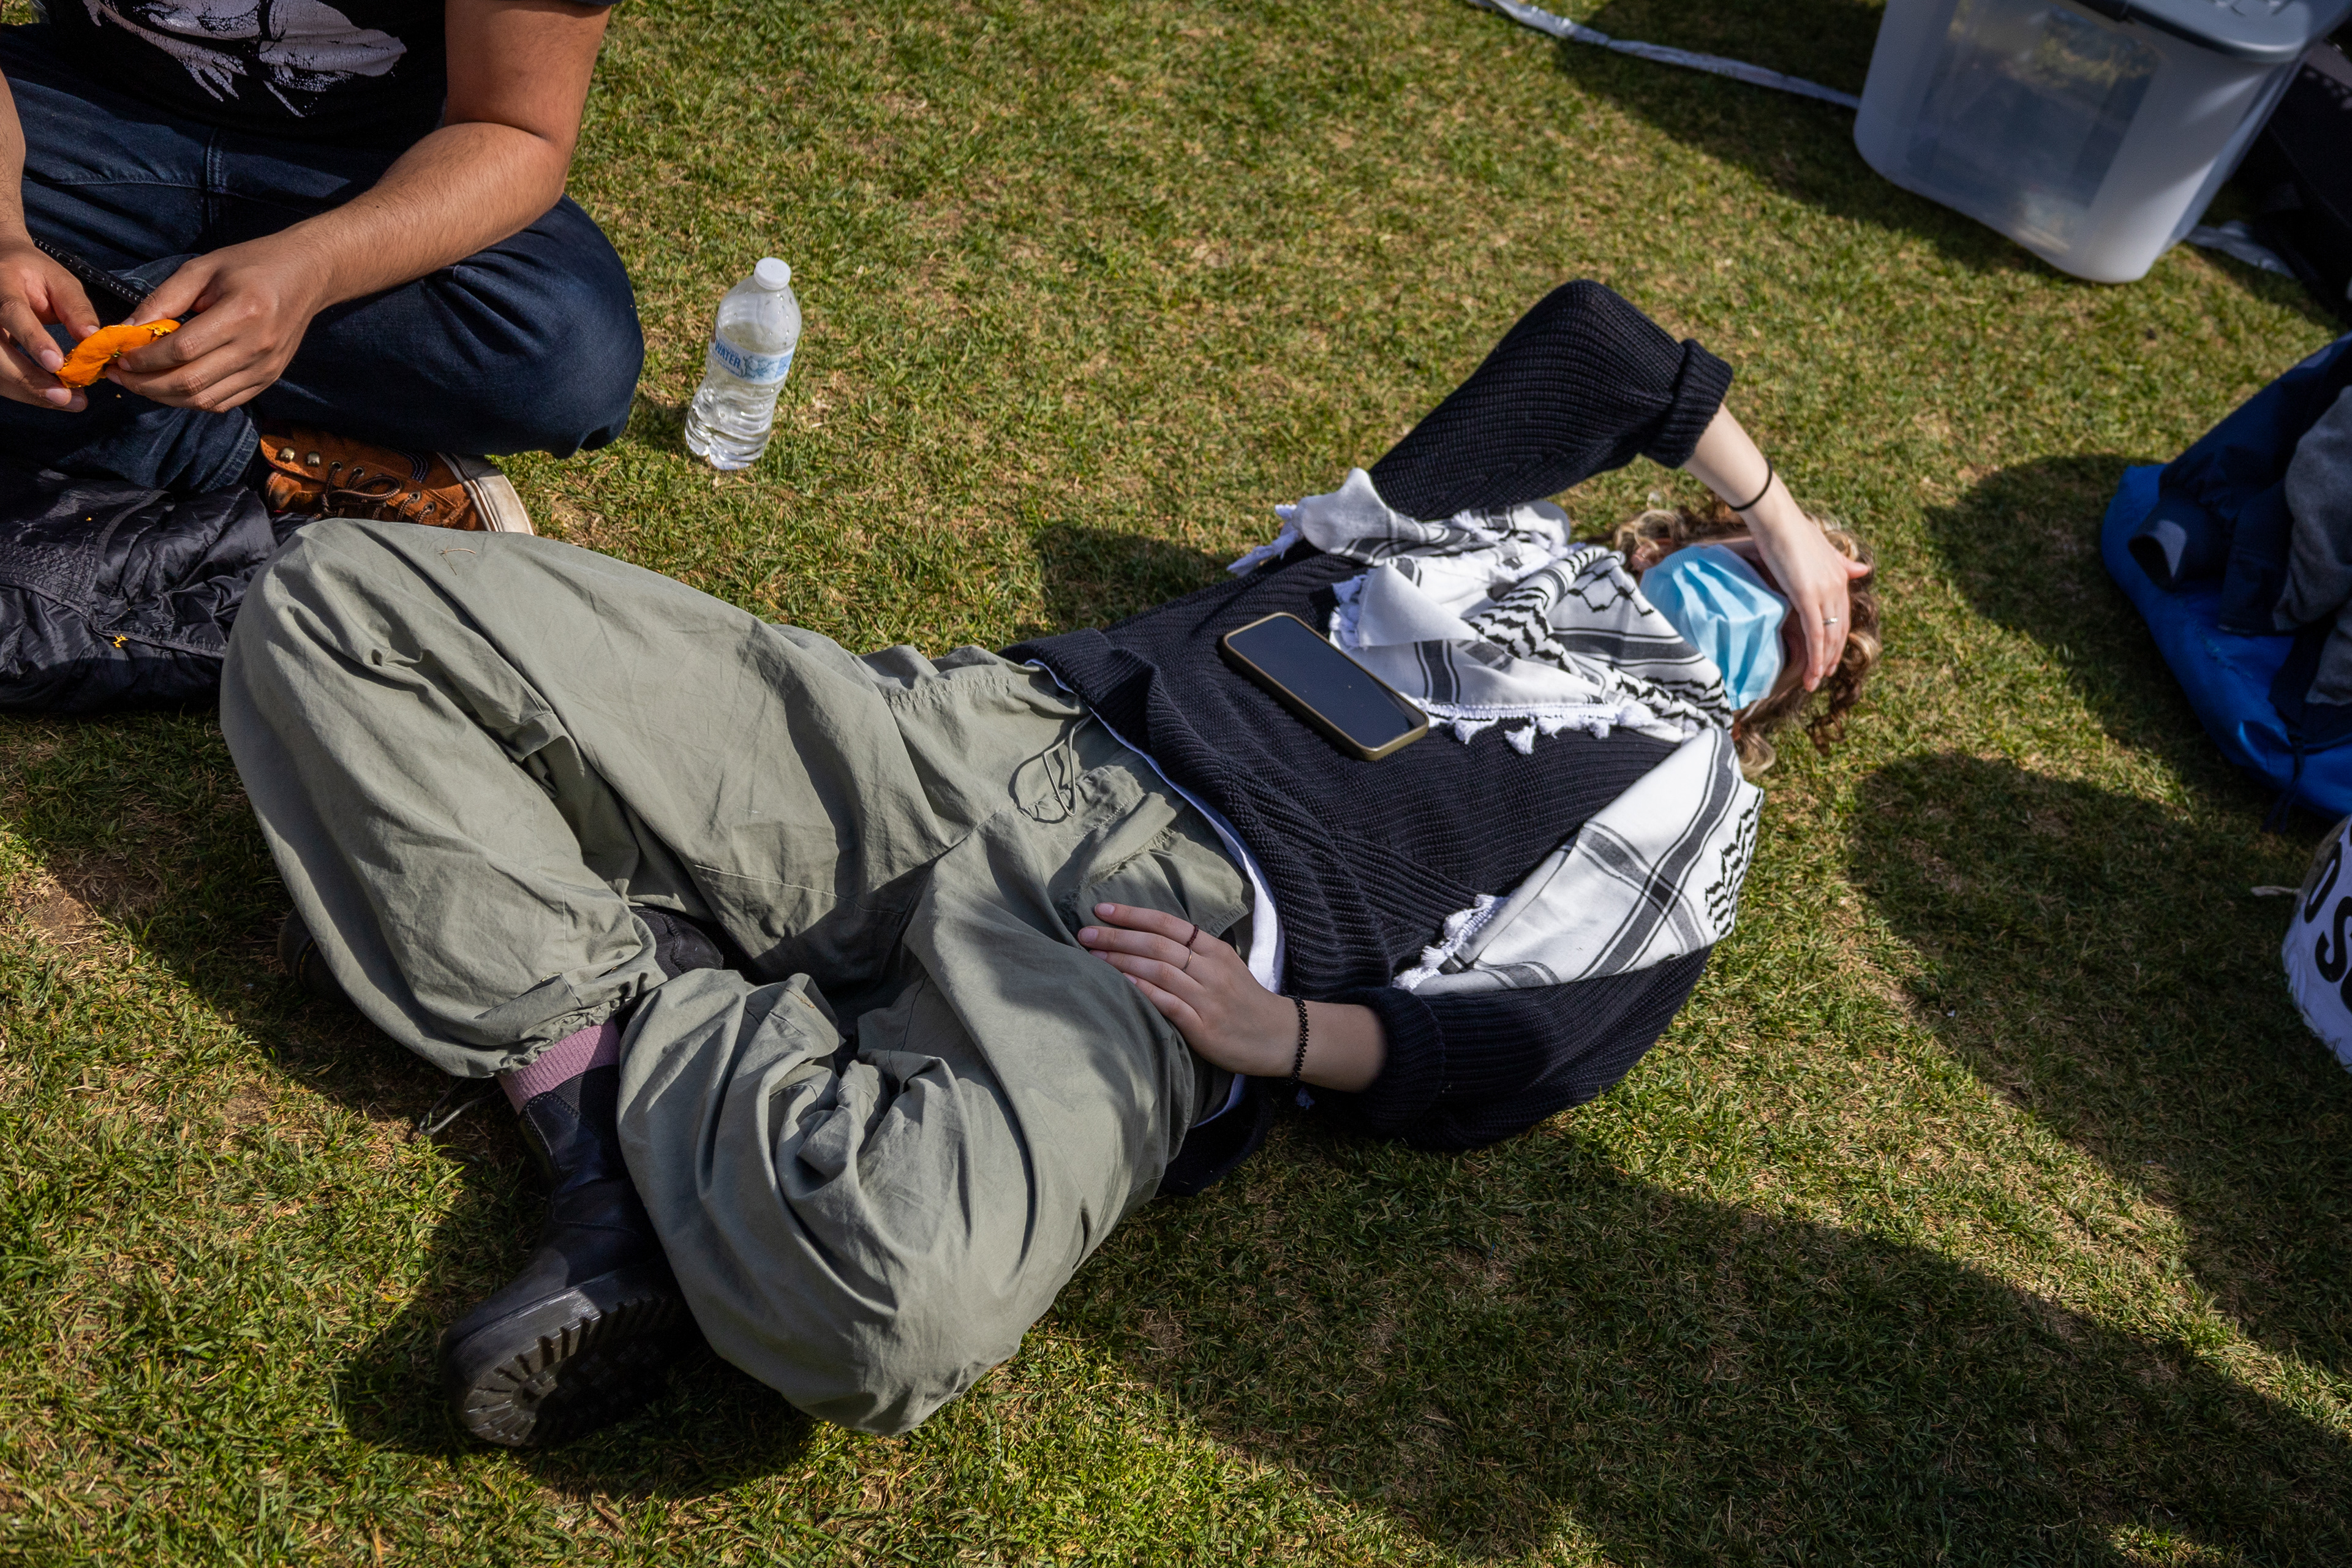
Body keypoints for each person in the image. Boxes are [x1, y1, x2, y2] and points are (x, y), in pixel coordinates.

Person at [219, 279, 1879, 1447]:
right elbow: (1598, 341)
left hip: (1159, 938)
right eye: (1805, 571)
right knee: (340, 605)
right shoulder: (1486, 526)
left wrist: (1286, 1037)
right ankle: (646, 1100)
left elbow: (1533, 1049)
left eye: (1838, 624)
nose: (1810, 595)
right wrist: (1789, 517)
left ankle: (620, 1039)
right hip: (970, 733)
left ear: (1804, 689)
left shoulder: (1688, 797)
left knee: (894, 1314)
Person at [0, 0, 641, 532]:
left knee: (569, 353)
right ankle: (262, 462)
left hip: (368, 170)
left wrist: (318, 267)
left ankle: (90, 348)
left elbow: (519, 131)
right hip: (66, 111)